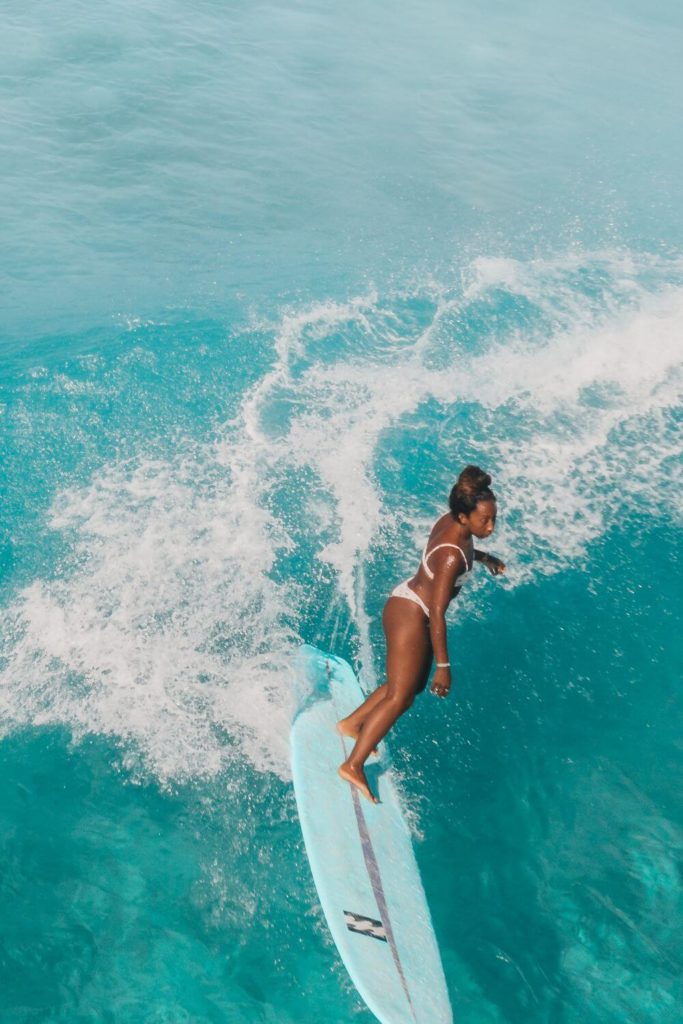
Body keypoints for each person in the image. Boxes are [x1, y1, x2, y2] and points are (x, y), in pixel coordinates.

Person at [337, 466, 506, 803]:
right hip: (413, 615)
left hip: (409, 606)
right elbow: (439, 613)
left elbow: (465, 549)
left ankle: (353, 724)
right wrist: (444, 666)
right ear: (464, 515)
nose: (491, 526)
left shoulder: (454, 526)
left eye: (493, 519)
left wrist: (485, 558)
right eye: (485, 520)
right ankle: (353, 764)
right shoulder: (450, 557)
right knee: (401, 696)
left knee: (407, 686)